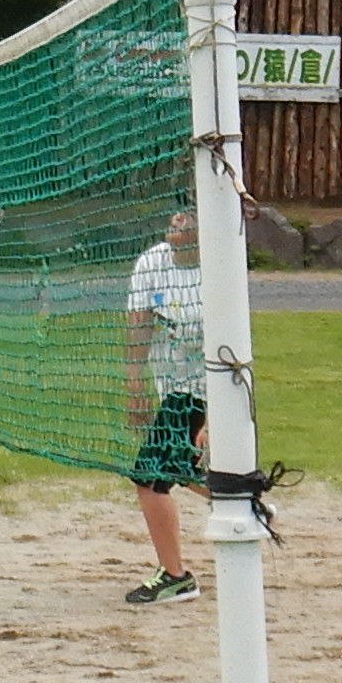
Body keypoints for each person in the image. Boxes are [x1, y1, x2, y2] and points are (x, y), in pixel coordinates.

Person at [121, 202, 207, 609]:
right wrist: (135, 382)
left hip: (207, 389)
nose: (178, 219)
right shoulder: (152, 262)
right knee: (181, 468)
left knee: (150, 477)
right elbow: (139, 324)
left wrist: (214, 420)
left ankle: (176, 577)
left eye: (189, 216)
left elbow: (231, 352)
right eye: (178, 213)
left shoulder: (218, 271)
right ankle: (245, 501)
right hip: (171, 388)